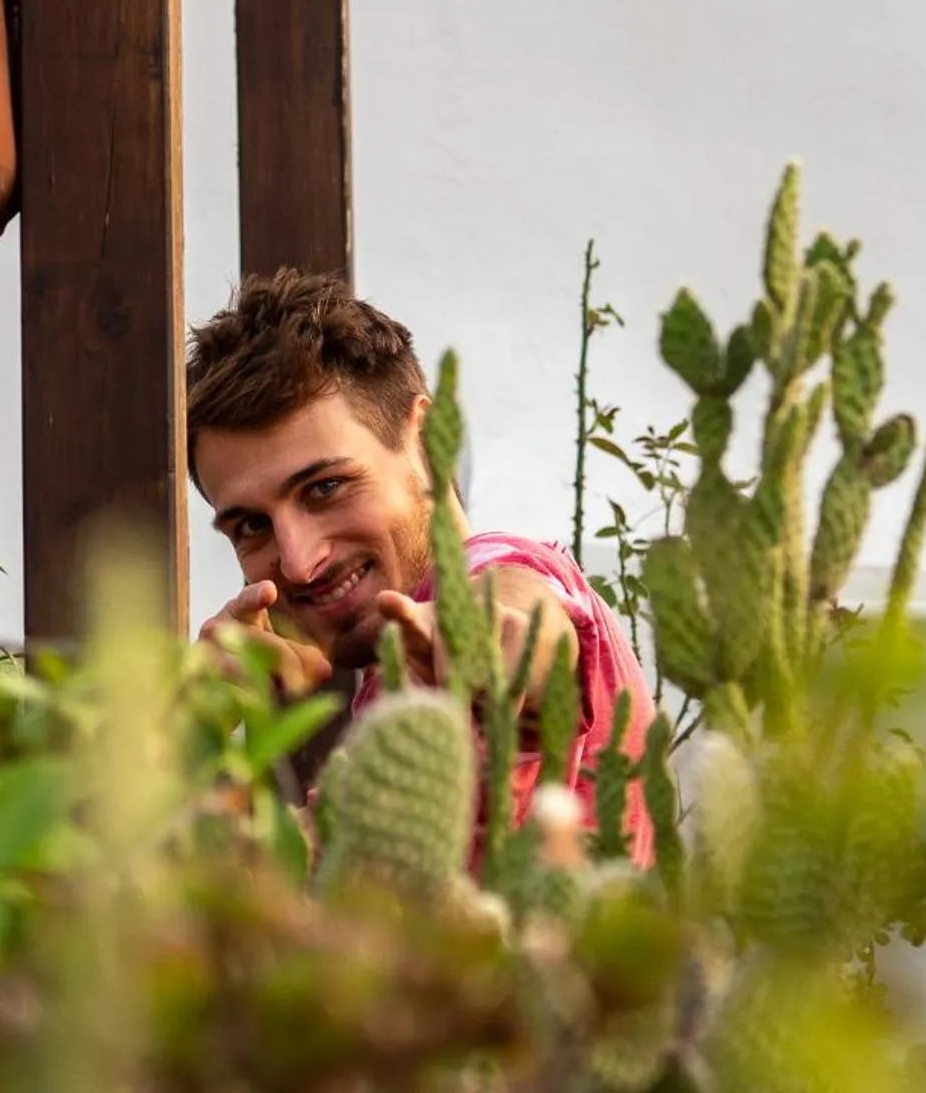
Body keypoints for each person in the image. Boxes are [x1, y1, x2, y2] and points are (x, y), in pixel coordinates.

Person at [188, 269, 655, 865]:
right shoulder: (391, 676)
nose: (300, 564)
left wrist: (480, 635)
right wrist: (197, 721)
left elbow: (520, 610)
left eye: (326, 487)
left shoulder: (501, 571)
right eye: (252, 525)